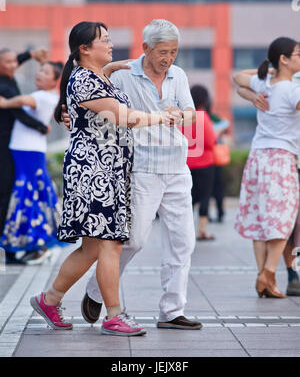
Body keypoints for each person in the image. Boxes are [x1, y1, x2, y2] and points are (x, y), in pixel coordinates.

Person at [30, 20, 174, 336]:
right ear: (84, 48)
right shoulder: (83, 80)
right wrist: (160, 117)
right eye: (104, 40)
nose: (110, 44)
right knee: (110, 245)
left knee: (93, 248)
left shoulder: (95, 77)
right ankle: (113, 315)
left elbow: (105, 86)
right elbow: (121, 116)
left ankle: (49, 299)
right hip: (94, 171)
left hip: (108, 170)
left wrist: (113, 67)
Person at [68, 19, 203, 330]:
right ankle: (95, 290)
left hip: (176, 167)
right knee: (133, 240)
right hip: (142, 167)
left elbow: (191, 112)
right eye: (162, 52)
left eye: (174, 52)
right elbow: (93, 100)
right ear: (146, 49)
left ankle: (171, 311)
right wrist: (67, 112)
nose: (168, 58)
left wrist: (179, 115)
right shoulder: (125, 74)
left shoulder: (178, 75)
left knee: (183, 241)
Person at [233, 36, 300, 298]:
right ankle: (268, 273)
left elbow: (238, 77)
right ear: (284, 58)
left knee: (261, 219)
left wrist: (252, 92)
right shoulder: (292, 89)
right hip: (280, 160)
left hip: (257, 158)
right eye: (297, 54)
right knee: (283, 219)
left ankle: (264, 279)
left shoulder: (266, 82)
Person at [0, 61, 64, 265]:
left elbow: (19, 101)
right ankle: (36, 244)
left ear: (54, 80)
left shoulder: (42, 96)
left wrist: (4, 103)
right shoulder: (47, 96)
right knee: (32, 195)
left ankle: (39, 245)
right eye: (40, 70)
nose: (39, 74)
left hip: (27, 151)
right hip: (28, 150)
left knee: (28, 196)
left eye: (45, 72)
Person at [180, 85, 217, 241]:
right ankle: (202, 230)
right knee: (204, 197)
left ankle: (183, 229)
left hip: (186, 163)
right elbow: (211, 140)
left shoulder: (184, 117)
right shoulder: (202, 116)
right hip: (205, 164)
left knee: (188, 197)